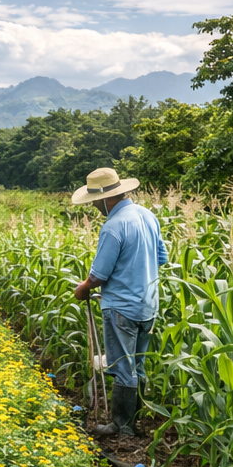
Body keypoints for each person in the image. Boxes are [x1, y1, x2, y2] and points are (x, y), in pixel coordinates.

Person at [71, 167, 168, 437]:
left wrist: (83, 288)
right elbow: (161, 258)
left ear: (105, 199)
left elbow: (98, 275)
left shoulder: (113, 226)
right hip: (148, 305)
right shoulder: (148, 215)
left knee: (124, 367)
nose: (95, 207)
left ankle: (122, 426)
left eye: (95, 202)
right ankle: (135, 421)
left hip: (122, 308)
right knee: (138, 365)